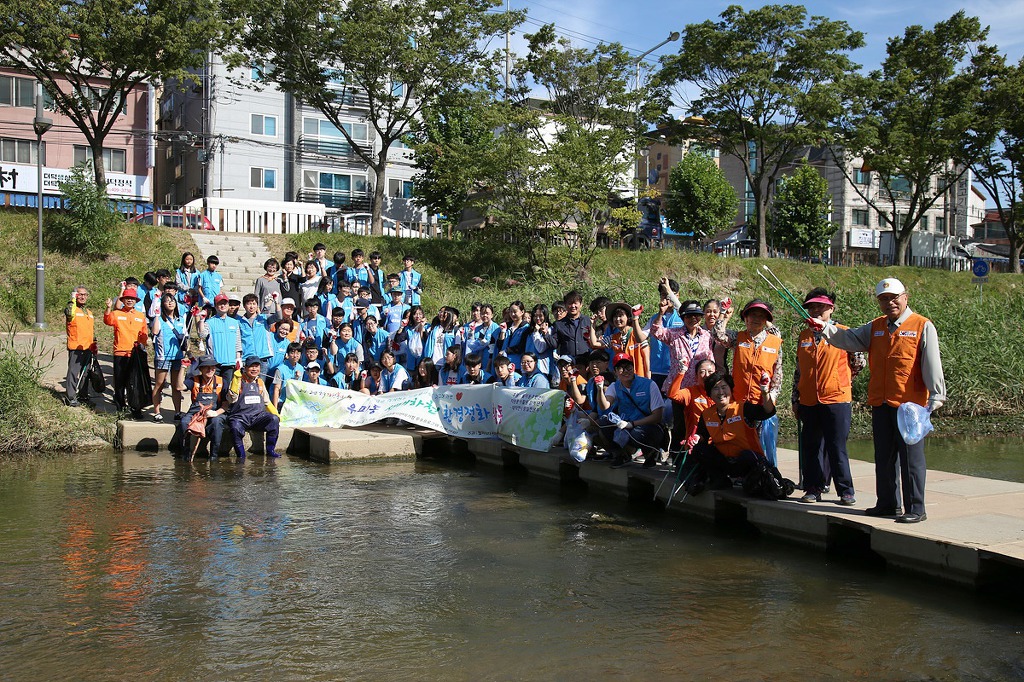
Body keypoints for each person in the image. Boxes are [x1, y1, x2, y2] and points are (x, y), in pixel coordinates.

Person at [811, 278, 945, 524]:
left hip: (910, 407)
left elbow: (932, 363)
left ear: (906, 297)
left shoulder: (922, 326)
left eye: (894, 297)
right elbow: (848, 339)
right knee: (884, 457)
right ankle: (887, 504)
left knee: (911, 459)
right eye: (884, 299)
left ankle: (916, 508)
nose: (889, 302)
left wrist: (936, 396)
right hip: (881, 402)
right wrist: (824, 328)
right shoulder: (875, 327)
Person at [792, 288, 864, 506]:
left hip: (837, 398)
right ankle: (813, 488)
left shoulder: (843, 332)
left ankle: (845, 491)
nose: (815, 310)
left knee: (836, 446)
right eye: (812, 307)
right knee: (810, 446)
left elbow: (859, 363)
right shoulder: (804, 336)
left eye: (820, 307)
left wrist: (839, 380)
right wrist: (795, 399)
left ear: (831, 309)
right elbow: (799, 371)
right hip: (809, 399)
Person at [713, 298, 783, 466]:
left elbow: (778, 374)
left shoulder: (775, 341)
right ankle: (740, 474)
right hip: (739, 402)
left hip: (762, 402)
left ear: (766, 320)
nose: (756, 319)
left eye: (761, 315)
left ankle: (765, 475)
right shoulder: (738, 338)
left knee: (762, 444)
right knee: (739, 441)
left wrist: (772, 397)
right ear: (745, 318)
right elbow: (717, 334)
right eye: (752, 315)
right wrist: (724, 312)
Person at [688, 370, 775, 492]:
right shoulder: (707, 414)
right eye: (716, 389)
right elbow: (703, 435)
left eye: (724, 387)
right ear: (709, 393)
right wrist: (696, 438)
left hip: (747, 459)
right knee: (700, 450)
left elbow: (768, 411)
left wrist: (765, 391)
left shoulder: (743, 408)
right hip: (725, 461)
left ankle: (750, 481)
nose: (721, 392)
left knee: (748, 456)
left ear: (730, 389)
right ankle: (720, 480)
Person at [594, 353, 665, 468]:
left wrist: (631, 424)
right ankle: (622, 455)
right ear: (615, 371)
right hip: (625, 425)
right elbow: (604, 406)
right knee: (603, 423)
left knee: (636, 433)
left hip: (648, 426)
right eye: (621, 368)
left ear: (633, 368)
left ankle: (651, 453)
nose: (625, 371)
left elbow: (657, 416)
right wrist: (600, 389)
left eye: (628, 367)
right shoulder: (614, 386)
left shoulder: (649, 384)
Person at [104, 287, 149, 419]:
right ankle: (120, 407)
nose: (130, 301)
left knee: (134, 382)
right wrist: (108, 308)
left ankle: (136, 408)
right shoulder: (117, 314)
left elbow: (144, 334)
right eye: (127, 299)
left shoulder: (140, 316)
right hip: (120, 353)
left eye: (132, 299)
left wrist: (142, 347)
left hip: (135, 354)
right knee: (120, 382)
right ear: (123, 300)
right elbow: (107, 321)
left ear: (136, 301)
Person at [226, 356, 281, 460]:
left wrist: (276, 414)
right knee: (235, 426)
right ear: (245, 368)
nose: (254, 369)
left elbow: (267, 402)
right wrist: (235, 379)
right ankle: (241, 456)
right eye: (252, 367)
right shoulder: (238, 380)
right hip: (240, 417)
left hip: (257, 417)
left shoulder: (260, 382)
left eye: (257, 366)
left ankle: (270, 451)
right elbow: (232, 399)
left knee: (273, 420)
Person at [180, 356, 226, 461]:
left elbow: (226, 405)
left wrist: (216, 413)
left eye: (212, 367)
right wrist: (182, 367)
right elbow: (179, 387)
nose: (210, 370)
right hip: (195, 412)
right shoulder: (193, 380)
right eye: (206, 367)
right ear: (200, 369)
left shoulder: (222, 381)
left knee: (217, 423)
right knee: (184, 423)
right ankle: (186, 453)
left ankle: (214, 455)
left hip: (214, 412)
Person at [150, 293, 187, 422]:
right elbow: (154, 332)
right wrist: (156, 315)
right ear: (162, 304)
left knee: (176, 386)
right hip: (163, 356)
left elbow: (184, 337)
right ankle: (157, 411)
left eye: (172, 301)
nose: (170, 303)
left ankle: (177, 411)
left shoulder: (181, 319)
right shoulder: (159, 319)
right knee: (159, 384)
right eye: (167, 301)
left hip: (177, 356)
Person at [590, 302, 650, 379]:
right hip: (623, 379)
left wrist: (648, 379)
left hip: (639, 378)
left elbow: (646, 359)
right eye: (615, 317)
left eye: (620, 316)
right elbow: (594, 344)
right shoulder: (614, 337)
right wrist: (593, 324)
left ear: (628, 317)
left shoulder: (637, 335)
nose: (617, 319)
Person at [198, 293, 243, 393]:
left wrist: (238, 358)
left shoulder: (234, 323)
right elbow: (202, 335)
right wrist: (201, 320)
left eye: (225, 303)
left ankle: (226, 409)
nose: (223, 306)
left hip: (230, 363)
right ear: (215, 306)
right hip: (214, 363)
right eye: (220, 304)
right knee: (215, 390)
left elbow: (238, 342)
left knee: (228, 390)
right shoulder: (210, 322)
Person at [64, 285, 97, 407]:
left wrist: (94, 344)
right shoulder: (71, 309)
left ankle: (83, 396)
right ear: (75, 295)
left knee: (86, 373)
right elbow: (69, 312)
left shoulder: (88, 312)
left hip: (88, 347)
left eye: (84, 294)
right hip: (76, 347)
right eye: (79, 294)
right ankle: (70, 397)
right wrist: (73, 299)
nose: (82, 297)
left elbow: (90, 330)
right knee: (73, 372)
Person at [554, 290, 590, 360]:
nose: (573, 306)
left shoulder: (588, 321)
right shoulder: (558, 325)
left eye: (575, 303)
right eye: (570, 303)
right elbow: (554, 344)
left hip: (586, 362)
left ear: (581, 304)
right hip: (568, 364)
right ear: (565, 305)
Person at [272, 342, 304, 408]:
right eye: (292, 353)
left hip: (295, 402)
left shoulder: (301, 368)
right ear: (288, 354)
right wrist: (275, 409)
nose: (295, 356)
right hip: (282, 401)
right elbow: (276, 389)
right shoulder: (280, 369)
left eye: (298, 353)